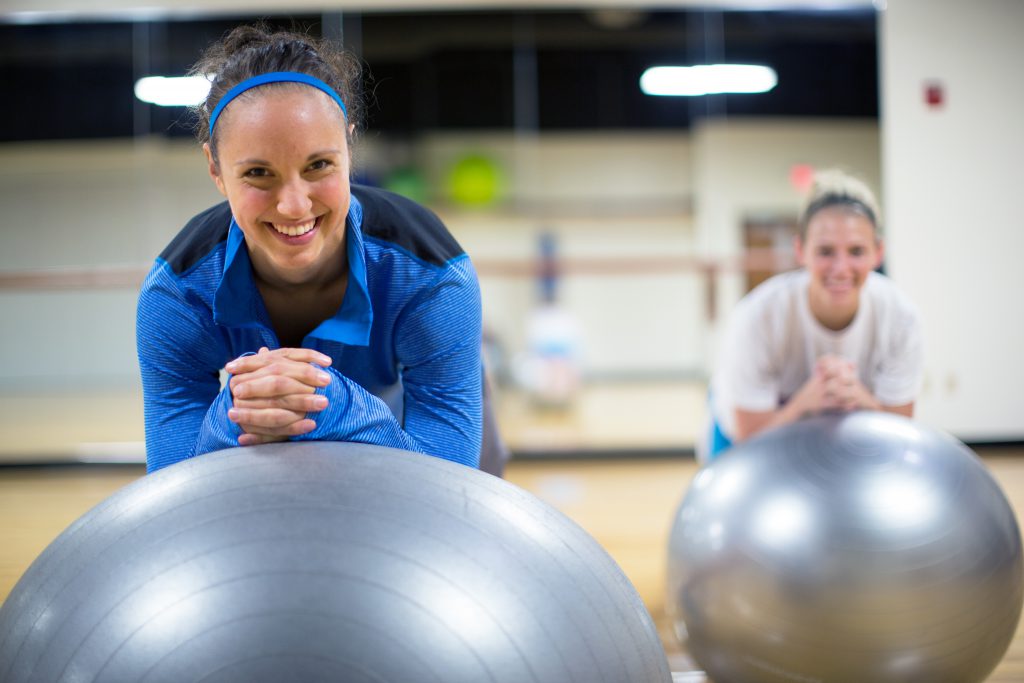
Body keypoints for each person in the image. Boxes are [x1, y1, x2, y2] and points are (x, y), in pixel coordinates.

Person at [137, 24, 504, 474]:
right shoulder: (178, 294)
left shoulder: (431, 274)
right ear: (215, 168)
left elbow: (449, 482)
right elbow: (172, 484)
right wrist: (236, 411)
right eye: (257, 173)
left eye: (319, 165)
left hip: (412, 419)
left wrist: (336, 405)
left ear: (349, 149)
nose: (293, 205)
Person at [702, 169, 924, 461]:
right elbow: (750, 441)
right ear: (800, 250)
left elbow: (899, 435)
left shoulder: (899, 317)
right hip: (742, 437)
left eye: (856, 251)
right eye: (826, 251)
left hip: (843, 427)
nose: (841, 268)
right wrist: (806, 403)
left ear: (878, 252)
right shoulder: (759, 316)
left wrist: (860, 399)